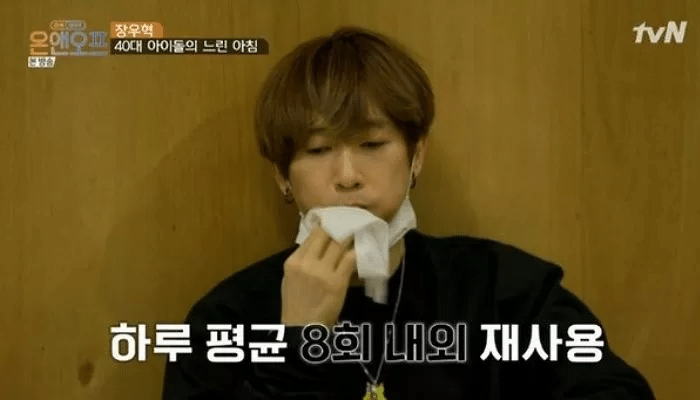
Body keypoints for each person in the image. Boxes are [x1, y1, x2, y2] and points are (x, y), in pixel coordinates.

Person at [161, 26, 655, 399]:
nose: (347, 176)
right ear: (282, 176)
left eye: (373, 144)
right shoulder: (223, 320)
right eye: (318, 150)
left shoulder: (501, 290)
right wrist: (297, 345)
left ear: (416, 156)